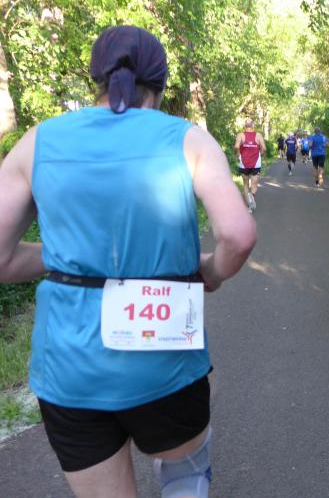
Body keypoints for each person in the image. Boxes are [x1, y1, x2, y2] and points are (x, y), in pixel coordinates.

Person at [0, 25, 257, 498]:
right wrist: (211, 272)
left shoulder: (38, 142)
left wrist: (66, 262)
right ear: (159, 84)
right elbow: (238, 236)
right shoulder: (188, 139)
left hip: (69, 370)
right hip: (167, 359)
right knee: (186, 475)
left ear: (96, 78)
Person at [234, 118, 266, 212]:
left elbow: (236, 146)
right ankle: (251, 200)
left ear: (245, 126)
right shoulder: (258, 135)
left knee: (245, 184)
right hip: (256, 163)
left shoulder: (240, 135)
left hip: (244, 163)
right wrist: (261, 154)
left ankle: (249, 204)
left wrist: (236, 154)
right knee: (254, 184)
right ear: (253, 126)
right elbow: (264, 148)